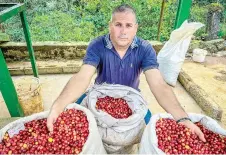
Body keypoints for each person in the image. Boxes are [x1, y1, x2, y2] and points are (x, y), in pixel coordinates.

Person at [47, 4, 206, 142]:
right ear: (110, 26)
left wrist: (182, 118)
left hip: (131, 97)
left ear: (135, 28)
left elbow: (158, 84)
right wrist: (57, 107)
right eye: (118, 25)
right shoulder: (97, 45)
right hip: (100, 93)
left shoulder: (144, 49)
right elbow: (82, 77)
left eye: (128, 25)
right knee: (73, 119)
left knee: (149, 132)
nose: (123, 31)